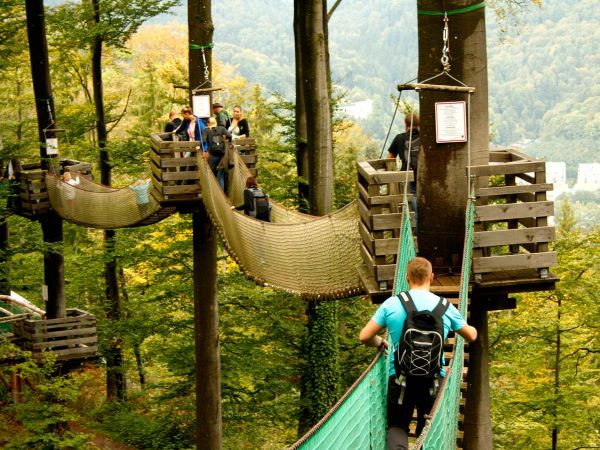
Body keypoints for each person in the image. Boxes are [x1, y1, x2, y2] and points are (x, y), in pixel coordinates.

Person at [359, 257, 477, 450]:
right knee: (426, 432)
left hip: (399, 378)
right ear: (432, 277)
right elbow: (471, 335)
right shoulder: (445, 307)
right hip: (432, 380)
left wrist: (380, 341)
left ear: (407, 277)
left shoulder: (392, 304)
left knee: (397, 427)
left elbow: (364, 336)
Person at [202, 117, 232, 191]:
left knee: (211, 174)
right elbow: (229, 136)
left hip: (212, 155)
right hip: (222, 155)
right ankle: (221, 193)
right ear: (216, 122)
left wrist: (200, 147)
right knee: (220, 175)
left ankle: (213, 191)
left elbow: (203, 140)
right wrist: (229, 142)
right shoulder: (221, 128)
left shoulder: (206, 130)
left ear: (208, 123)